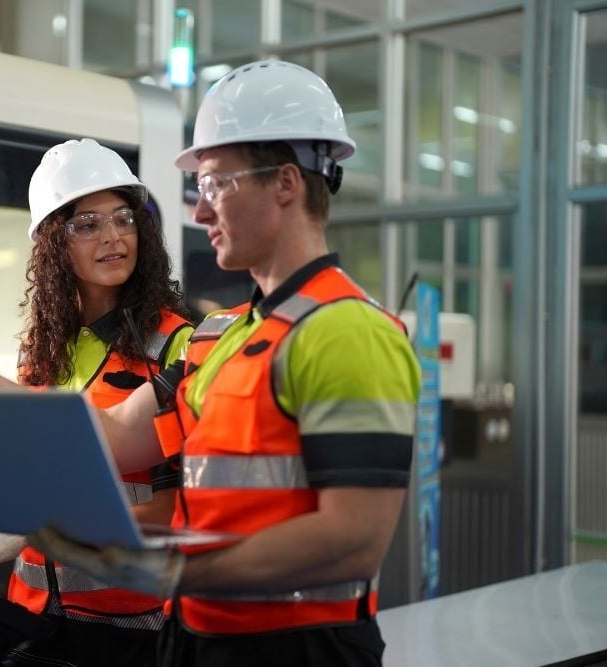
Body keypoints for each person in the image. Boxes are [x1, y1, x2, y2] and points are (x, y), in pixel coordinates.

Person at [28, 60, 422, 666]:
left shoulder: (348, 331)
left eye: (215, 185)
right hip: (201, 640)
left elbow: (353, 543)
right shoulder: (227, 338)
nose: (201, 210)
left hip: (300, 652)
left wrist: (173, 566)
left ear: (286, 183)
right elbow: (115, 438)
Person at [0, 138, 194, 666]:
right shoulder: (43, 351)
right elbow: (26, 496)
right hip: (31, 621)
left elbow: (176, 507)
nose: (113, 237)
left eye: (123, 219)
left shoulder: (177, 346)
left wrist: (45, 528)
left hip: (131, 632)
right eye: (87, 224)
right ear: (52, 243)